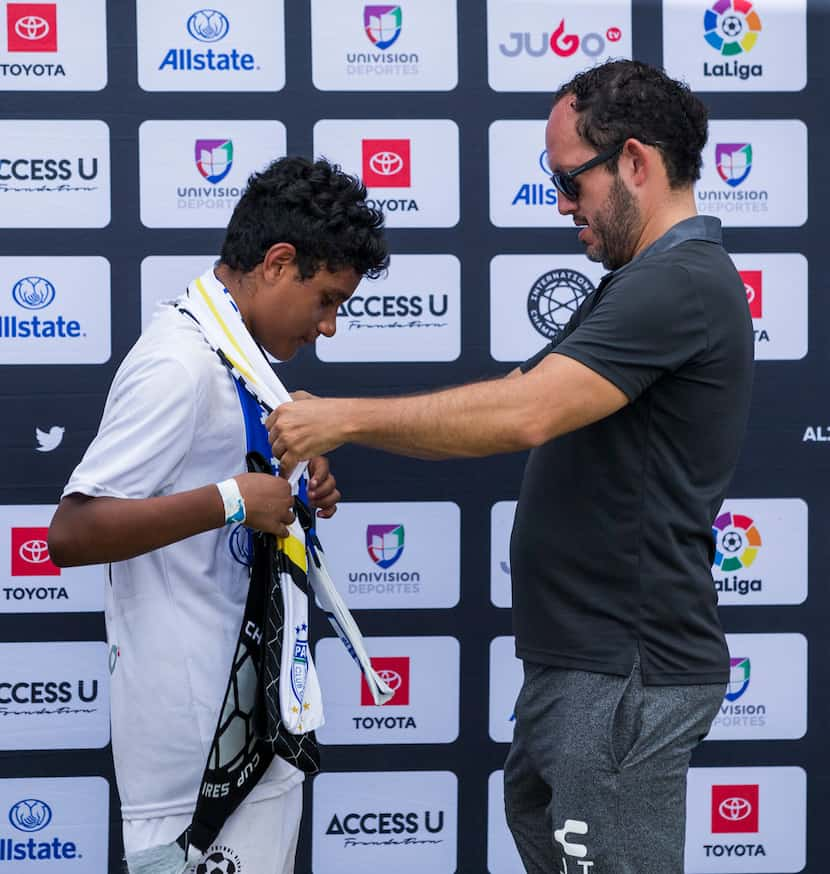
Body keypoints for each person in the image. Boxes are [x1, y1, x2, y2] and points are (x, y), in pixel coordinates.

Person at [266, 61, 754, 873]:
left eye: (571, 181)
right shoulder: (645, 283)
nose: (563, 205)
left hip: (624, 669)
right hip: (586, 665)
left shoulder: (682, 282)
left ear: (635, 162)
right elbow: (521, 393)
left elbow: (523, 414)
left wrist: (344, 418)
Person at [48, 156, 388, 874]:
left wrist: (295, 482)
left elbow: (237, 479)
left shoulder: (238, 358)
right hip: (192, 754)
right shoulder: (181, 362)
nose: (329, 328)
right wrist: (235, 500)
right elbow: (73, 532)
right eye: (327, 299)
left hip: (254, 725)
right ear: (277, 262)